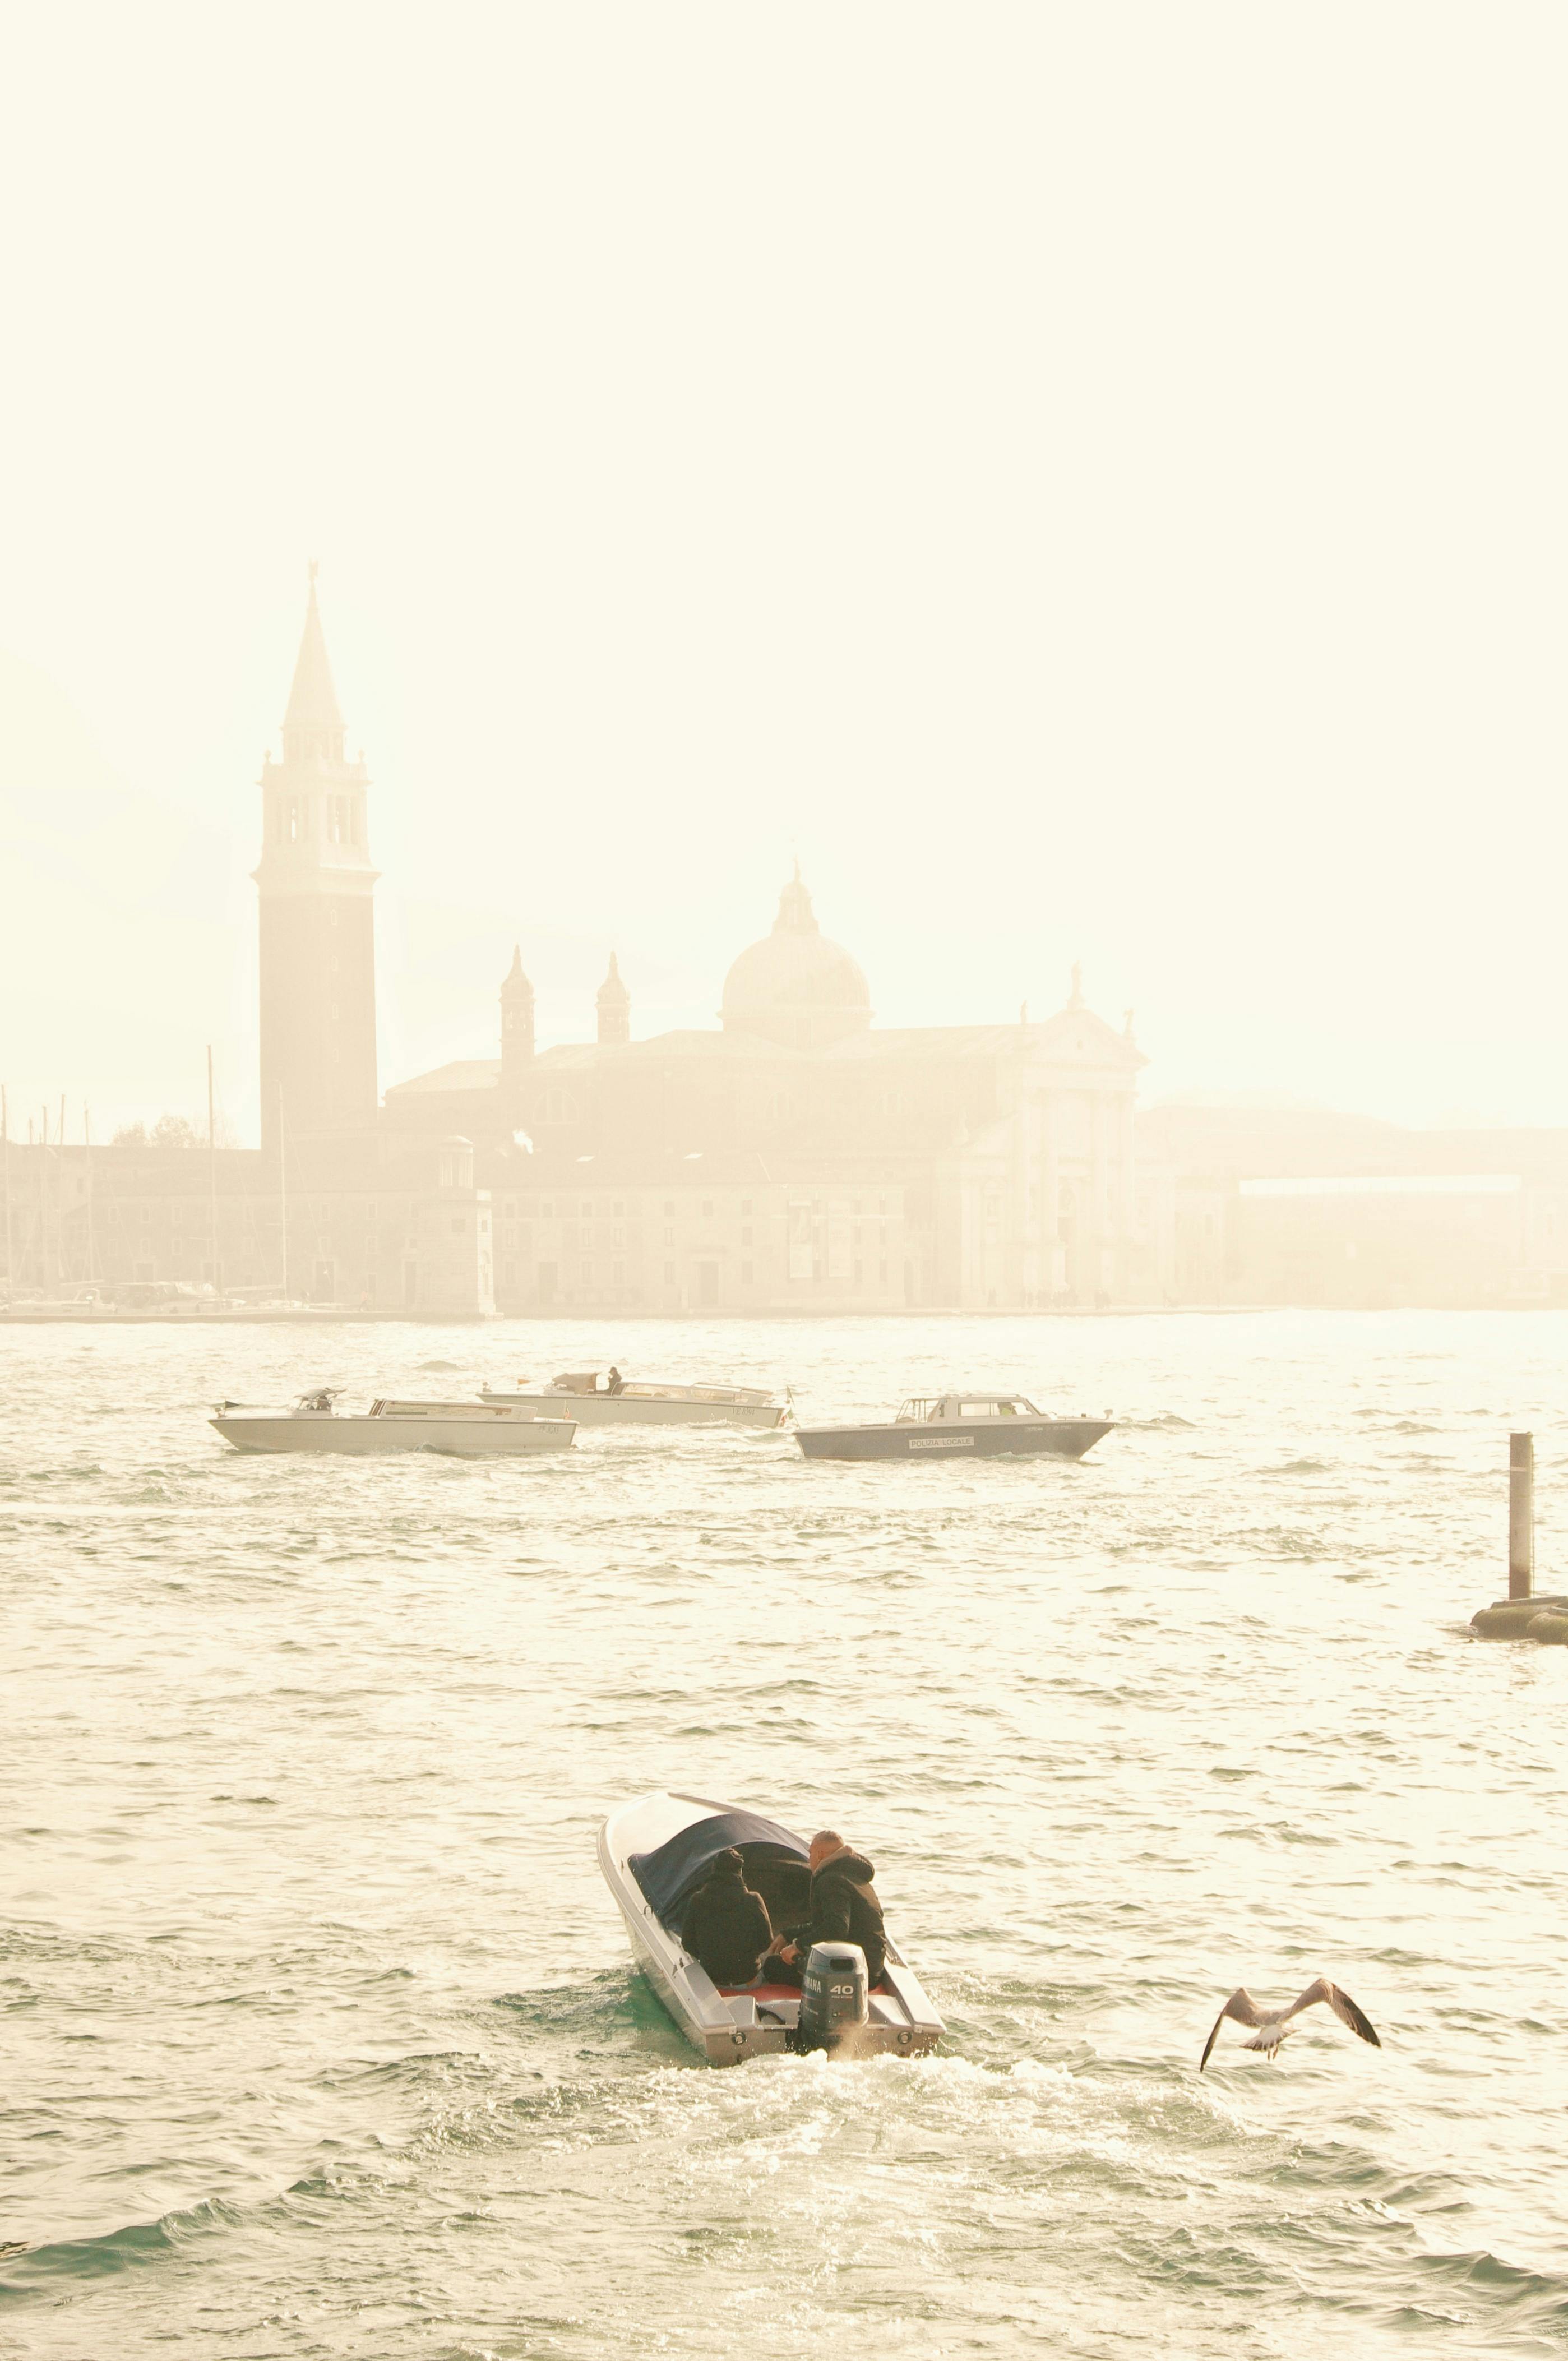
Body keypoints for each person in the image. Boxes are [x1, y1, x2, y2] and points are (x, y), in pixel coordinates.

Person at [765, 1830, 886, 1986]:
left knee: (772, 1966)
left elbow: (837, 1927)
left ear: (820, 1854)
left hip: (854, 1976)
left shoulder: (831, 1881)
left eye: (810, 1854)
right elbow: (825, 1924)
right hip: (871, 1967)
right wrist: (789, 1935)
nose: (809, 1860)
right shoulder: (856, 1876)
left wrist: (798, 1947)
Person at [679, 1849, 773, 1987]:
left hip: (712, 1979)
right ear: (740, 1872)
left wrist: (710, 1957)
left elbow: (687, 1942)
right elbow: (767, 1940)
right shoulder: (753, 1899)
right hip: (748, 1979)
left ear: (714, 1871)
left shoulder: (697, 1900)